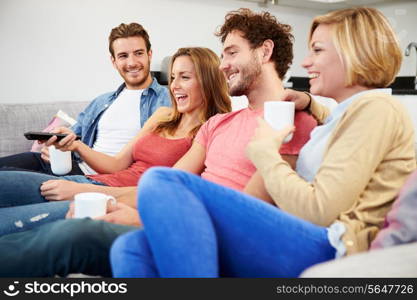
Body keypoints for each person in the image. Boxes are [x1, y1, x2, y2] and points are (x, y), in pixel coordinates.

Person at [110, 7, 416, 278]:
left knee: (165, 182)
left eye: (318, 51)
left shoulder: (377, 109)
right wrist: (310, 101)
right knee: (131, 247)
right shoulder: (348, 113)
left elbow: (320, 210)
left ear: (355, 54)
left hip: (332, 243)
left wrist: (265, 152)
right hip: (307, 234)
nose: (307, 63)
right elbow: (342, 123)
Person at [0, 46, 231, 277]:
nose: (174, 85)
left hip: (110, 198)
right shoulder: (163, 115)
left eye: (185, 77)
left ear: (208, 80)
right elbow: (118, 163)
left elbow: (165, 192)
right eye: (172, 77)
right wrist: (77, 146)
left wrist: (82, 191)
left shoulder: (211, 133)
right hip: (90, 182)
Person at [0, 22, 170, 175]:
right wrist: (57, 145)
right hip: (70, 166)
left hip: (93, 178)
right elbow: (74, 136)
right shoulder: (102, 101)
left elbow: (159, 155)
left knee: (7, 180)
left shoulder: (166, 101)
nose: (132, 63)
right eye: (123, 56)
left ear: (149, 54)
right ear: (114, 61)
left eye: (138, 53)